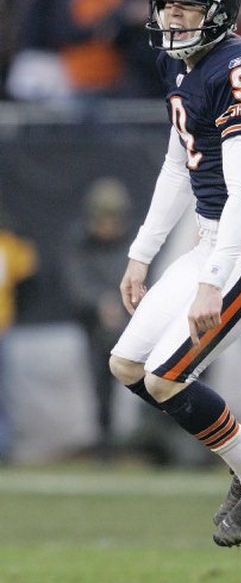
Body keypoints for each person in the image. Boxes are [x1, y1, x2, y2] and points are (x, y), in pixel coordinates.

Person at [109, 0, 241, 547]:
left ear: (219, 13)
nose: (171, 18)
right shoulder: (181, 64)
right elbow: (178, 164)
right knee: (128, 367)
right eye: (166, 5)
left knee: (167, 379)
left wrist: (211, 279)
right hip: (212, 237)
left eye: (186, 7)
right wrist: (141, 252)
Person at [62, 178, 132, 459]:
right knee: (100, 387)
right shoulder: (79, 245)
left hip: (131, 325)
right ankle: (105, 442)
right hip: (96, 330)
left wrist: (124, 305)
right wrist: (101, 303)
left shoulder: (133, 244)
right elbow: (77, 286)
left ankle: (161, 440)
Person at [0, 206, 38, 462]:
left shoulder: (10, 247)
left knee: (4, 393)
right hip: (3, 326)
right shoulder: (10, 247)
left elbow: (27, 282)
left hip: (3, 327)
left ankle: (3, 446)